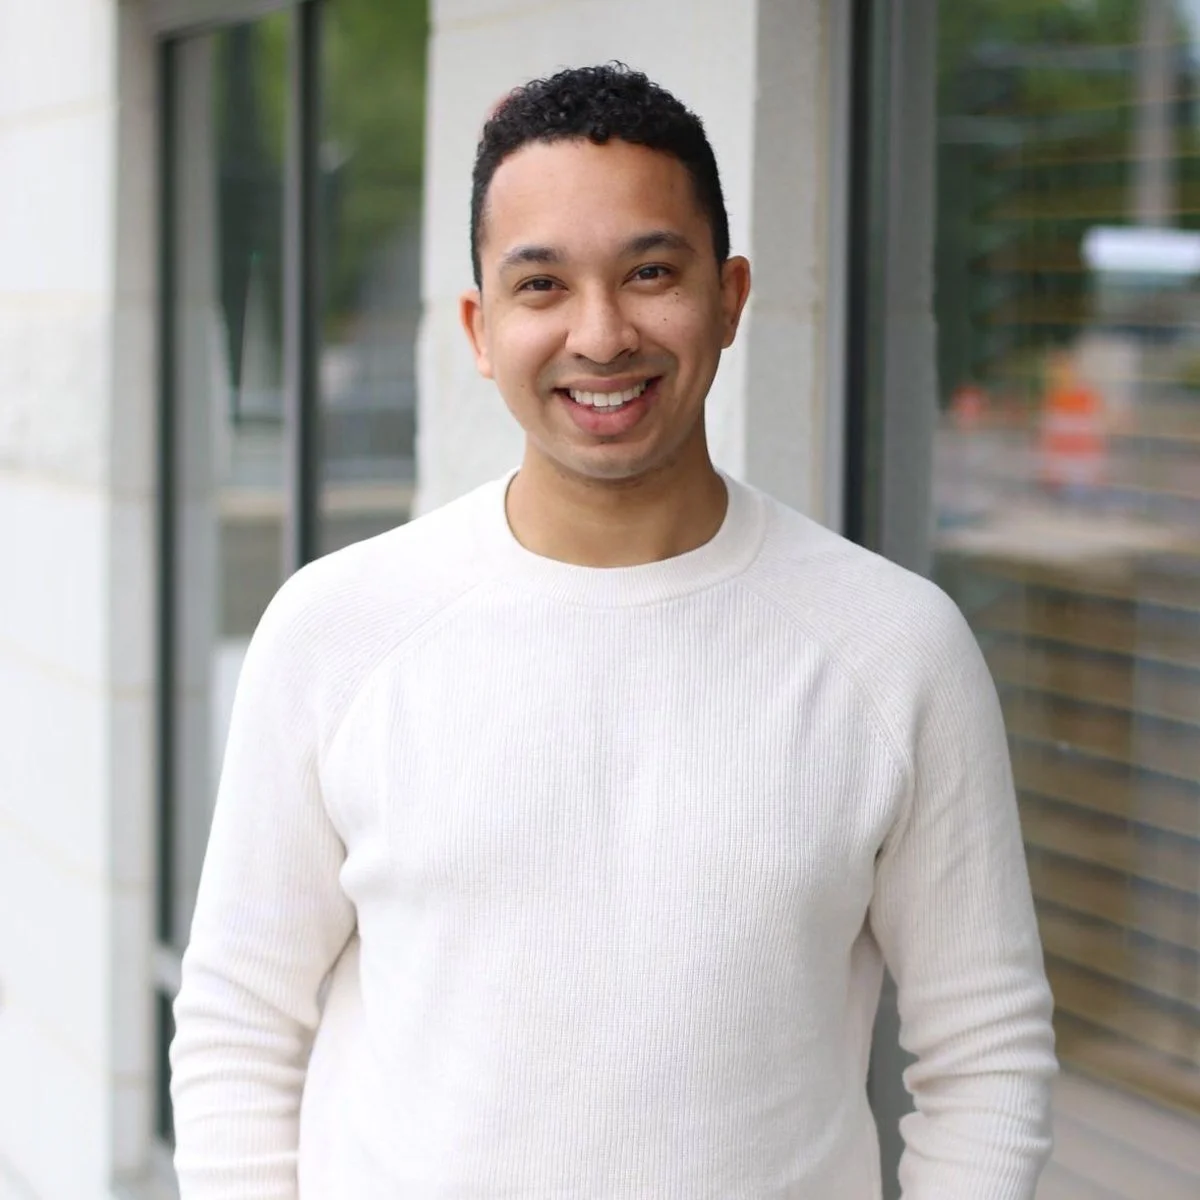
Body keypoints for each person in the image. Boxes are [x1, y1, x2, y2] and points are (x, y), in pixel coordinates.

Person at [170, 63, 1056, 1199]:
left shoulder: (894, 648)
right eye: (542, 286)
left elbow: (987, 1060)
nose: (601, 335)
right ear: (481, 329)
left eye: (650, 272)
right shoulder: (338, 630)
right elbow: (241, 1027)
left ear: (730, 297)